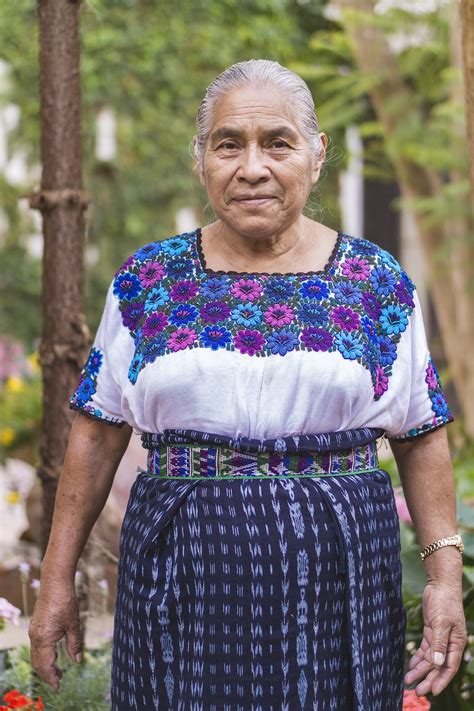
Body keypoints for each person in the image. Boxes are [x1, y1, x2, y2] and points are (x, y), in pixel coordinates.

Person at [28, 59, 467, 710]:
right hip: (183, 570)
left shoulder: (376, 281)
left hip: (341, 577)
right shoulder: (150, 279)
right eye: (228, 143)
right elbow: (96, 432)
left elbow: (420, 431)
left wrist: (444, 580)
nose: (252, 166)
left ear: (316, 156)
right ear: (201, 158)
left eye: (278, 142)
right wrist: (55, 580)